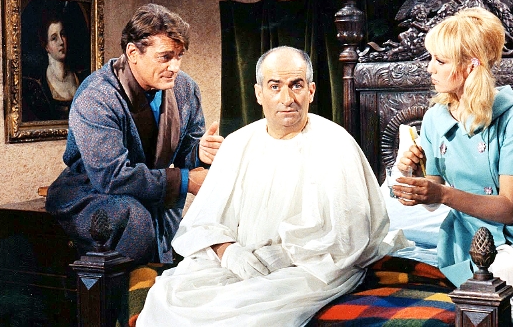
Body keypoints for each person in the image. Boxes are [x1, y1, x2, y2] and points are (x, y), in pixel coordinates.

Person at [136, 46, 404, 326]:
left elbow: (350, 237)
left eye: (296, 85)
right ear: (259, 93)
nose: (287, 99)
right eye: (275, 87)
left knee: (248, 312)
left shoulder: (336, 144)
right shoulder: (237, 143)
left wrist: (283, 255)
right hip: (240, 260)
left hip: (312, 267)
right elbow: (204, 221)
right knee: (166, 296)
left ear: (311, 91)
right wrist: (229, 252)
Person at [394, 7, 513, 326]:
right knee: (498, 272)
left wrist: (442, 194)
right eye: (431, 58)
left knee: (512, 269)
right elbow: (432, 198)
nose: (429, 68)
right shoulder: (435, 118)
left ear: (471, 65)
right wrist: (412, 175)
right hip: (469, 235)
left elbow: (509, 209)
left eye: (440, 60)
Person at [46, 3, 223, 265]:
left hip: (149, 193)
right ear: (133, 53)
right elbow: (111, 177)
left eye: (179, 56)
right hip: (92, 194)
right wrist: (186, 181)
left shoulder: (185, 88)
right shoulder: (97, 95)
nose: (175, 66)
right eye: (165, 57)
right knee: (137, 220)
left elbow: (184, 153)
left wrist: (199, 152)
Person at [22, 12, 81, 121]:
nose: (61, 42)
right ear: (46, 46)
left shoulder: (80, 77)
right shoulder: (38, 85)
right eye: (54, 38)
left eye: (63, 34)